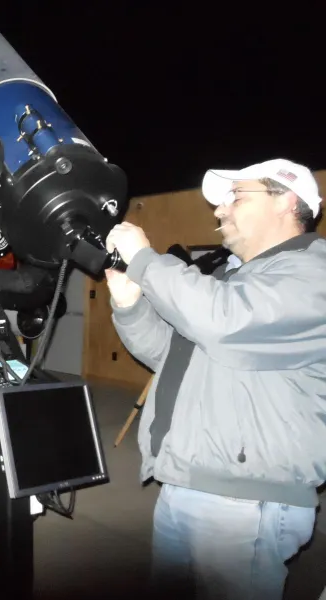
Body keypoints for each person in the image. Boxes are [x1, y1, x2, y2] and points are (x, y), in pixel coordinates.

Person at [104, 158, 326, 599]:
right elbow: (165, 353)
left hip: (245, 501)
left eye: (236, 196)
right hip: (186, 481)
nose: (219, 209)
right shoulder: (230, 279)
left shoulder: (312, 273)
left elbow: (225, 321)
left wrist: (146, 261)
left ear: (285, 201)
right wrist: (130, 305)